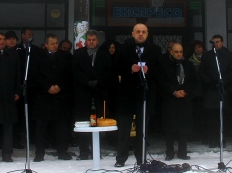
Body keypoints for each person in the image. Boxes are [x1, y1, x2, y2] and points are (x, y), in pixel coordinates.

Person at [114, 23, 165, 167]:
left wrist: (149, 70)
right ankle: (121, 158)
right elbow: (115, 67)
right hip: (127, 94)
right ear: (133, 33)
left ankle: (141, 158)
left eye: (143, 32)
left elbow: (162, 71)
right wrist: (130, 69)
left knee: (143, 128)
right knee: (124, 128)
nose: (141, 34)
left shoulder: (155, 50)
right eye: (138, 32)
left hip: (146, 94)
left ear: (147, 34)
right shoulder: (124, 49)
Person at [32, 33, 73, 162]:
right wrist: (47, 87)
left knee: (61, 126)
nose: (56, 45)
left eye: (56, 43)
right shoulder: (37, 56)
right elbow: (35, 75)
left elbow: (69, 74)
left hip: (60, 97)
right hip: (43, 97)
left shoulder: (65, 56)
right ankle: (39, 153)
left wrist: (59, 86)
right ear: (45, 45)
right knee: (41, 127)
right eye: (52, 43)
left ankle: (62, 151)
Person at [73, 30, 111, 160]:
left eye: (93, 39)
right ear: (85, 40)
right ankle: (83, 151)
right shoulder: (78, 53)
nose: (91, 42)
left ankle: (96, 150)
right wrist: (86, 82)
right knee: (83, 122)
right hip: (83, 93)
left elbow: (109, 71)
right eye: (89, 39)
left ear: (97, 40)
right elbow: (75, 71)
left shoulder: (104, 54)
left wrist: (98, 81)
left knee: (98, 122)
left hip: (99, 92)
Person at [198, 34, 232, 148]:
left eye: (218, 42)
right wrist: (209, 82)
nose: (216, 44)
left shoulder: (229, 55)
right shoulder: (207, 55)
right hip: (210, 90)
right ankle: (212, 140)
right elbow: (201, 71)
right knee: (211, 117)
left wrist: (223, 82)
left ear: (222, 43)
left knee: (222, 116)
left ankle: (222, 140)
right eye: (214, 42)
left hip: (223, 90)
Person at [162, 43, 197, 161]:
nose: (179, 54)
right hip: (170, 100)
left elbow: (194, 81)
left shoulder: (188, 65)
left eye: (181, 52)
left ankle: (182, 152)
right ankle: (169, 152)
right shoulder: (165, 64)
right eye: (176, 52)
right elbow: (163, 81)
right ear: (171, 52)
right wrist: (173, 92)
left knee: (184, 128)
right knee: (170, 128)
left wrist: (185, 91)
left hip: (184, 100)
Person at [0, 31, 21, 162]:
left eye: (3, 39)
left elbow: (18, 74)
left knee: (8, 126)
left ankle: (7, 154)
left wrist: (17, 91)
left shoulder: (12, 54)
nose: (2, 41)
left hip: (8, 95)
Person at [5, 30, 25, 150]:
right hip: (4, 91)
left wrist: (18, 91)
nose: (11, 40)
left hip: (17, 90)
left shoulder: (20, 52)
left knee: (17, 117)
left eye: (13, 38)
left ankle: (16, 141)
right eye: (9, 38)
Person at [188, 40, 206, 142]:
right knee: (195, 114)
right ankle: (195, 135)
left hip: (205, 90)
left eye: (199, 47)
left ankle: (204, 135)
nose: (198, 49)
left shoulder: (207, 58)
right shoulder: (190, 60)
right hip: (195, 92)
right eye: (196, 48)